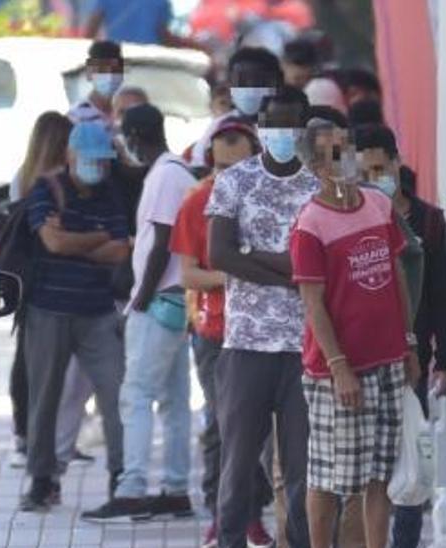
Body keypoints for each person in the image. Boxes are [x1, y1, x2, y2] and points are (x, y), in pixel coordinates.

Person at [289, 119, 421, 548]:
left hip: (387, 361)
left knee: (380, 474)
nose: (344, 159)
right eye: (332, 152)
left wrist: (409, 343)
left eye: (346, 148)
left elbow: (397, 273)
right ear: (314, 166)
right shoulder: (310, 225)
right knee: (330, 476)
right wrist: (339, 367)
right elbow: (313, 303)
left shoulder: (377, 206)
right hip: (338, 371)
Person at [205, 88, 319, 548]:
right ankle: (230, 540)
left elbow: (320, 260)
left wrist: (254, 255)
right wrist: (288, 271)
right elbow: (218, 253)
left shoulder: (319, 185)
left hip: (304, 349)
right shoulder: (235, 181)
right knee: (237, 464)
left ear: (304, 129)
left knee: (302, 469)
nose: (281, 134)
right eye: (272, 124)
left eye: (291, 125)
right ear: (259, 128)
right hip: (246, 345)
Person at [81, 104, 195, 523]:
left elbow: (162, 239)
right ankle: (176, 489)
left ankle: (131, 489)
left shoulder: (166, 175)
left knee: (137, 396)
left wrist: (140, 297)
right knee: (174, 400)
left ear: (136, 134)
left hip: (159, 299)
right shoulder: (177, 172)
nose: (123, 145)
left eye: (125, 136)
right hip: (177, 300)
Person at [356, 126, 446, 548]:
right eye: (365, 171)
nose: (374, 177)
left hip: (409, 360)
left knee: (409, 462)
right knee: (365, 465)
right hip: (358, 359)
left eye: (380, 167)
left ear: (397, 163)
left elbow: (444, 293)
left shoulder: (429, 222)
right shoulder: (345, 222)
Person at [172, 119, 277, 547]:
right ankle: (228, 514)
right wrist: (237, 275)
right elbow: (189, 275)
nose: (227, 178)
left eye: (238, 167)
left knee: (255, 428)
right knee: (225, 423)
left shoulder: (271, 201)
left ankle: (246, 512)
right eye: (221, 167)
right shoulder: (196, 203)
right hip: (214, 332)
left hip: (264, 331)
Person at [19, 121, 130, 512]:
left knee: (116, 394)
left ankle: (122, 476)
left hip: (98, 311)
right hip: (48, 311)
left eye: (102, 163)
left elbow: (121, 250)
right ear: (69, 156)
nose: (96, 169)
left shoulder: (109, 192)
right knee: (45, 398)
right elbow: (51, 242)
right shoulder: (45, 190)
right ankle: (42, 480)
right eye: (90, 161)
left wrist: (74, 242)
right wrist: (96, 237)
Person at [0, 112, 75, 469]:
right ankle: (39, 439)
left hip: (27, 280)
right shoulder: (52, 183)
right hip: (47, 279)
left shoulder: (22, 178)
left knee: (28, 359)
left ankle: (27, 435)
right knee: (43, 365)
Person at [187, 47, 283, 169]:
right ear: (230, 84)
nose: (250, 89)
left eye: (258, 81)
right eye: (241, 82)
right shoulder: (218, 126)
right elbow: (200, 167)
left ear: (276, 83)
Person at [83, 0, 190, 48]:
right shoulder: (161, 2)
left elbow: (90, 32)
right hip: (147, 61)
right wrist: (192, 46)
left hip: (115, 59)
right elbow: (164, 36)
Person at [70, 40, 126, 129]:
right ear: (90, 73)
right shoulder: (76, 116)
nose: (110, 76)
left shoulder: (127, 112)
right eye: (103, 70)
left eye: (115, 70)